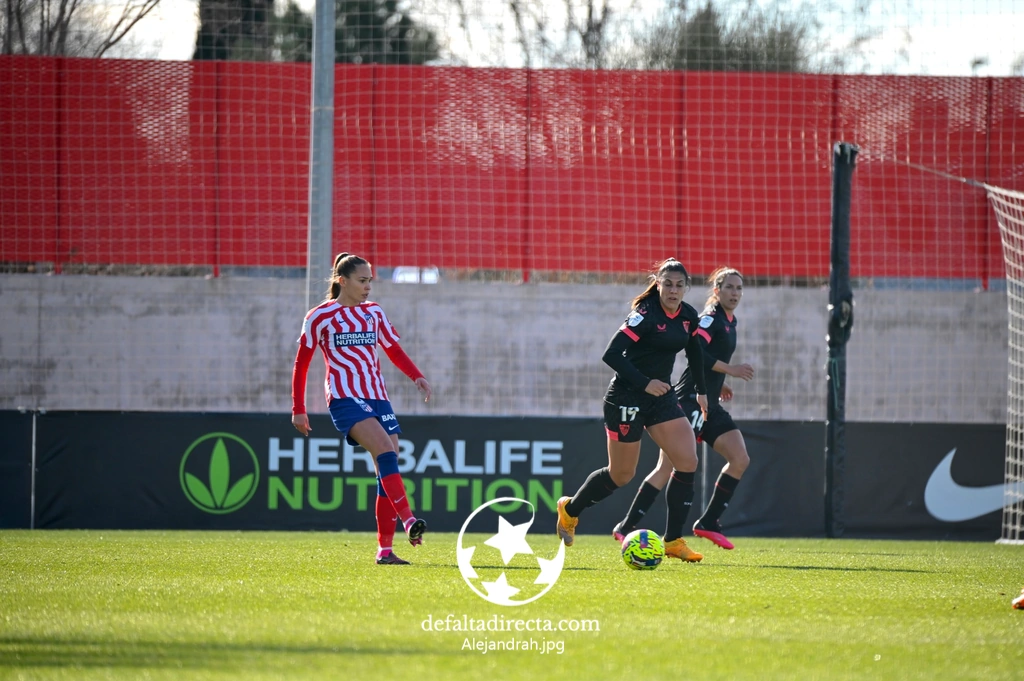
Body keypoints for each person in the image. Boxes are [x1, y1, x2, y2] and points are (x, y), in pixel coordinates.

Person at [555, 258, 709, 563]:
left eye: (679, 285)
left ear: (686, 288)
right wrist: (644, 382)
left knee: (687, 460)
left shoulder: (689, 316)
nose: (673, 290)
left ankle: (674, 541)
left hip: (660, 397)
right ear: (658, 283)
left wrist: (702, 391)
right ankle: (570, 510)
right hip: (626, 396)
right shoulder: (645, 314)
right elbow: (611, 354)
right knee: (622, 474)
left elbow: (694, 352)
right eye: (668, 284)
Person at [291, 252, 432, 565]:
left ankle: (385, 550)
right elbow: (302, 362)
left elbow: (393, 349)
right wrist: (298, 408)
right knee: (385, 450)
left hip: (377, 397)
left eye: (370, 280)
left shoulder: (373, 313)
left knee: (387, 467)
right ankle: (409, 521)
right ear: (343, 281)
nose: (368, 286)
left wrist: (417, 376)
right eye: (362, 280)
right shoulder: (320, 316)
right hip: (344, 397)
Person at [611, 267, 754, 551]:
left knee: (740, 458)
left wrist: (720, 382)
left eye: (739, 288)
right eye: (729, 288)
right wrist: (730, 370)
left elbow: (708, 360)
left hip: (710, 403)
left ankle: (708, 522)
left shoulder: (730, 321)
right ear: (717, 290)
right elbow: (698, 353)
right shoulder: (709, 319)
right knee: (668, 467)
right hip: (689, 400)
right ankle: (628, 526)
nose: (734, 293)